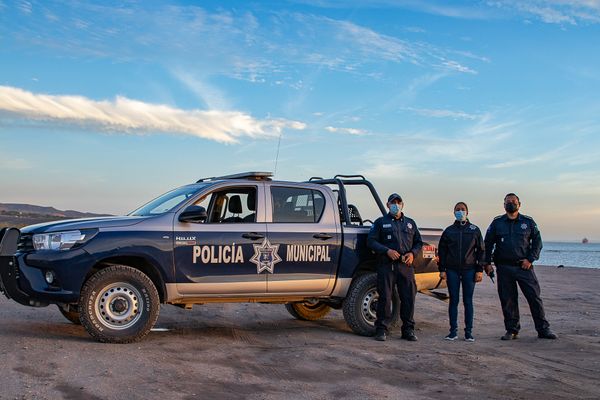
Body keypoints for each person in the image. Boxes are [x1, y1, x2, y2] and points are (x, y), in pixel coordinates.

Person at [483, 193, 557, 340]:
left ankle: (543, 329)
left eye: (514, 201)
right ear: (504, 205)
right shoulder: (497, 223)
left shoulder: (528, 222)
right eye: (508, 201)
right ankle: (512, 330)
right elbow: (488, 244)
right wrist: (486, 263)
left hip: (524, 267)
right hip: (504, 268)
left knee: (534, 298)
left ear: (519, 204)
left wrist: (530, 260)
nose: (511, 203)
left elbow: (537, 243)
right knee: (508, 300)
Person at [367, 193, 423, 342]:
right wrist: (387, 251)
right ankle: (381, 330)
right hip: (387, 265)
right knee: (385, 297)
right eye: (393, 202)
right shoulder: (380, 222)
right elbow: (371, 241)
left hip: (406, 266)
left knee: (408, 298)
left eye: (398, 202)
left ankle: (408, 330)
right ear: (387, 205)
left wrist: (412, 253)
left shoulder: (410, 223)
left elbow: (418, 242)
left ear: (402, 204)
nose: (396, 205)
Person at [437, 202, 484, 342]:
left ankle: (468, 332)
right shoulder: (449, 231)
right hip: (452, 270)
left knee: (468, 301)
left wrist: (479, 270)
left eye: (463, 210)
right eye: (457, 210)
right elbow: (442, 252)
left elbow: (481, 251)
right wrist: (442, 270)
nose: (460, 212)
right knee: (454, 300)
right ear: (454, 212)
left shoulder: (474, 230)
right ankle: (453, 332)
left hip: (469, 270)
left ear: (467, 212)